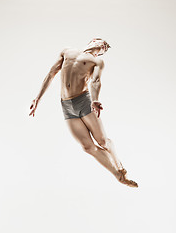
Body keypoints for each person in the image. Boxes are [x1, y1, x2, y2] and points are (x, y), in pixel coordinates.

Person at [29, 38, 138, 187]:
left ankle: (120, 166)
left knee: (103, 141)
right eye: (102, 43)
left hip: (84, 101)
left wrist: (94, 100)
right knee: (88, 147)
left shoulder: (97, 62)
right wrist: (37, 98)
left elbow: (96, 81)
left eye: (104, 48)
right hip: (66, 105)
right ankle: (118, 175)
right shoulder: (67, 51)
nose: (103, 46)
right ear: (93, 40)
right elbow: (51, 74)